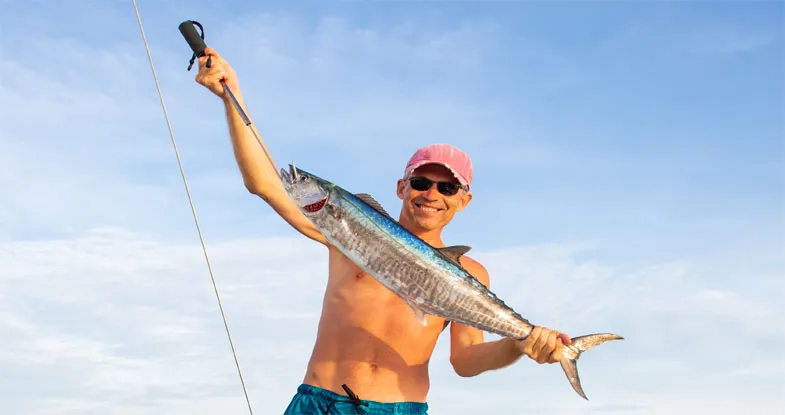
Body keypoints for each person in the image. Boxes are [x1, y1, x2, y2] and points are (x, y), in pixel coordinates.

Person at [195, 47, 571, 415]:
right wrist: (231, 96)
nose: (432, 195)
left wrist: (520, 346)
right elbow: (264, 184)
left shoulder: (470, 273)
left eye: (448, 188)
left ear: (463, 201)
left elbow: (466, 360)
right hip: (317, 402)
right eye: (421, 182)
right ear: (401, 187)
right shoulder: (347, 233)